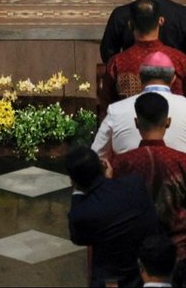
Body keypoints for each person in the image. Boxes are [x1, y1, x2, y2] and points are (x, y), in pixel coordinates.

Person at [66, 144, 160, 287]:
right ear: (102, 166)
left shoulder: (82, 213)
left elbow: (78, 237)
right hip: (145, 274)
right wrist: (108, 181)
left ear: (73, 180)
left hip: (111, 281)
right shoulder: (136, 184)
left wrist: (77, 192)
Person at [112, 93, 186, 262]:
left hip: (133, 256)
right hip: (178, 255)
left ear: (136, 123)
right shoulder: (183, 162)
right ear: (168, 122)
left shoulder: (120, 163)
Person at [93, 52, 186, 159]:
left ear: (140, 77)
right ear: (173, 79)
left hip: (127, 173)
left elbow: (97, 155)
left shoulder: (116, 110)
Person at [104, 0, 186, 104]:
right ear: (161, 21)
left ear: (130, 24)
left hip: (129, 119)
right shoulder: (180, 60)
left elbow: (106, 106)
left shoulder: (116, 63)